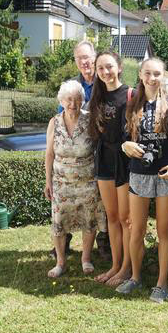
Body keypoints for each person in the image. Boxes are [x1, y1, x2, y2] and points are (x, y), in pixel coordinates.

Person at [117, 58, 168, 303]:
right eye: (148, 73)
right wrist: (126, 145)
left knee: (163, 230)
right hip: (138, 174)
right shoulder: (132, 103)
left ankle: (162, 283)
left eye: (157, 73)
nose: (152, 77)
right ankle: (135, 277)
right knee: (136, 229)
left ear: (163, 75)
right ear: (141, 75)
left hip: (164, 174)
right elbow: (124, 138)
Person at [53, 40, 111, 260]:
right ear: (75, 62)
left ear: (94, 57)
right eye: (79, 58)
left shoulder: (104, 81)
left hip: (101, 151)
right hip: (75, 153)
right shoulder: (72, 86)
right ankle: (63, 244)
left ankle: (104, 245)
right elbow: (61, 116)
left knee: (99, 203)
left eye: (87, 57)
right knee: (67, 200)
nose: (84, 62)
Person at [44, 80, 106, 278]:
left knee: (89, 220)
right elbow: (49, 154)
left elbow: (104, 146)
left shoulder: (91, 119)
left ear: (82, 100)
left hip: (87, 181)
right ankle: (60, 262)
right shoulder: (54, 122)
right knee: (59, 222)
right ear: (61, 101)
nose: (73, 103)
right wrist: (48, 181)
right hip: (61, 182)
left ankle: (85, 259)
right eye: (69, 99)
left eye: (77, 99)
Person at [87, 51, 132, 287]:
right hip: (104, 159)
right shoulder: (97, 96)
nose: (105, 72)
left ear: (119, 67)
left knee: (126, 219)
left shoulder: (131, 94)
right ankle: (116, 265)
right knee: (112, 217)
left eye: (109, 67)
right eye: (101, 68)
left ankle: (127, 268)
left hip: (124, 163)